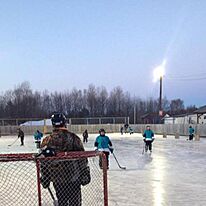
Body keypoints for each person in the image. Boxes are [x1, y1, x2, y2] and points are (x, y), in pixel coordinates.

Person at [40, 112, 91, 206]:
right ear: (64, 122)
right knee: (75, 203)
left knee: (62, 201)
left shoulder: (47, 140)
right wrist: (85, 174)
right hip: (74, 178)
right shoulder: (74, 138)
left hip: (57, 179)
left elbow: (44, 162)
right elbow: (82, 159)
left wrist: (45, 178)